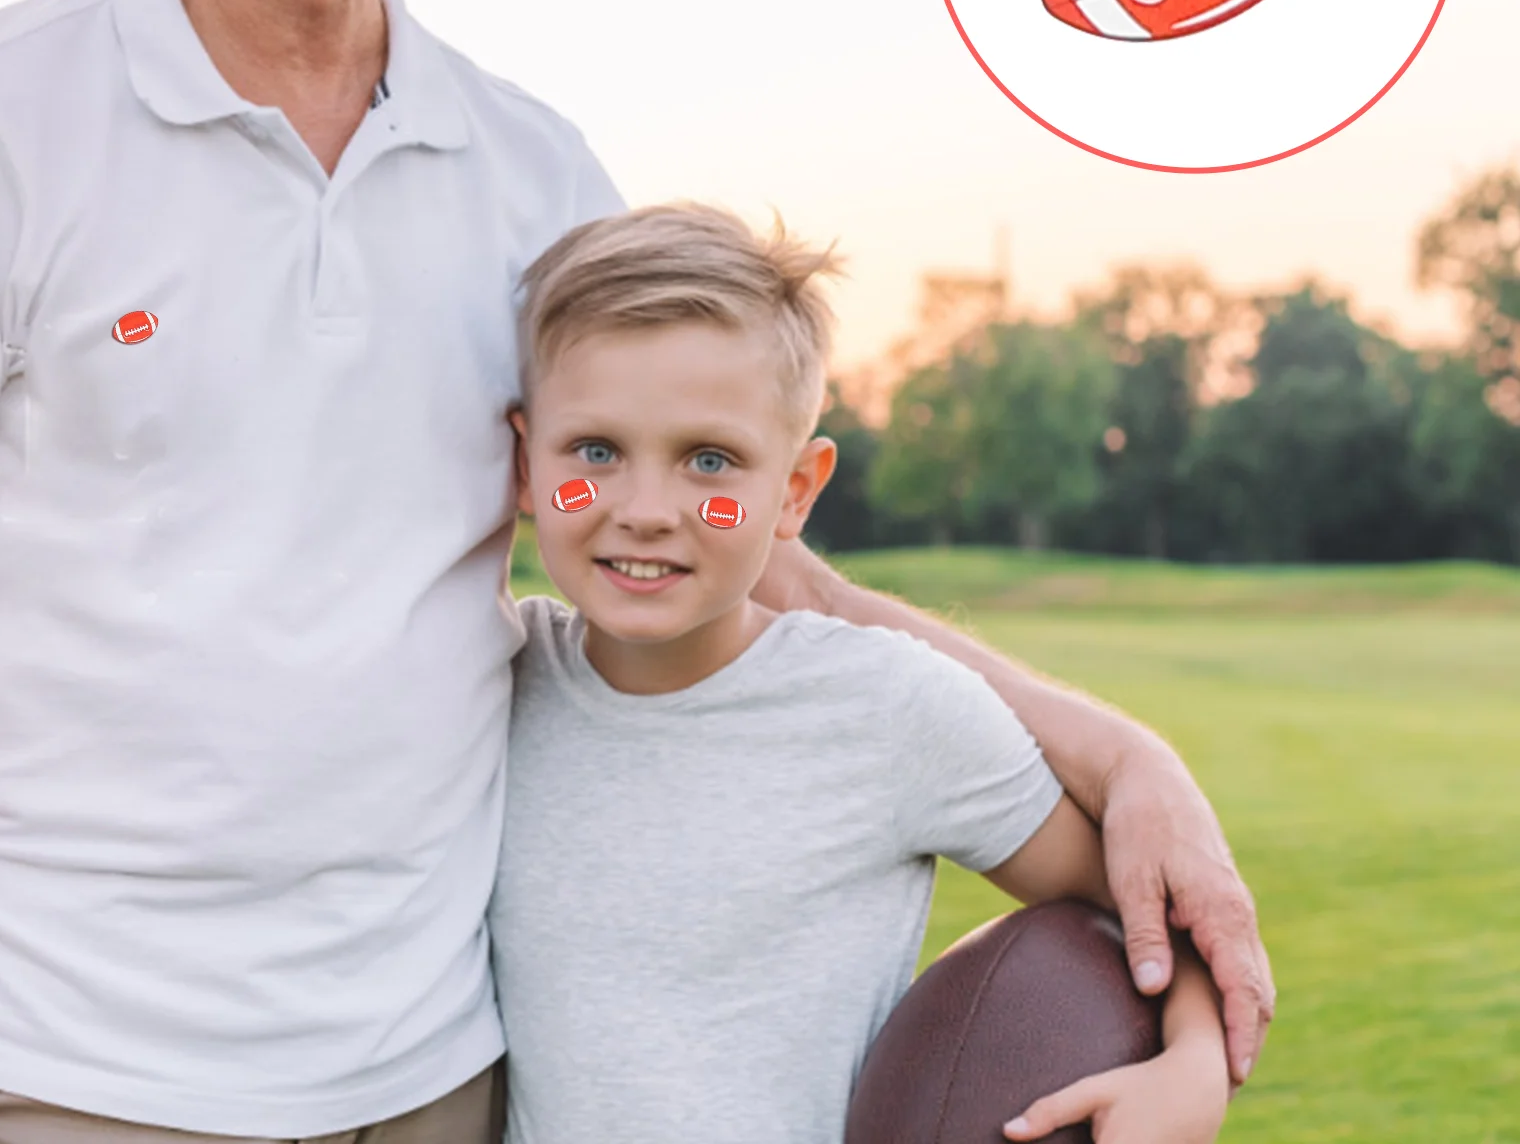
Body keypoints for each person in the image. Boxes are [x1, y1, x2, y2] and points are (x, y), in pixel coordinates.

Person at [0, 0, 1270, 1141]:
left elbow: (744, 553)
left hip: (433, 1074)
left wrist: (1119, 754)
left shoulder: (534, 178)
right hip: (59, 1068)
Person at [496, 201, 1234, 1144]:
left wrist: (1194, 1064)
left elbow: (1145, 908)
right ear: (526, 464)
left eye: (709, 462)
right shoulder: (497, 685)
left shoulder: (888, 707)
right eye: (594, 453)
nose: (646, 509)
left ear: (795, 491)